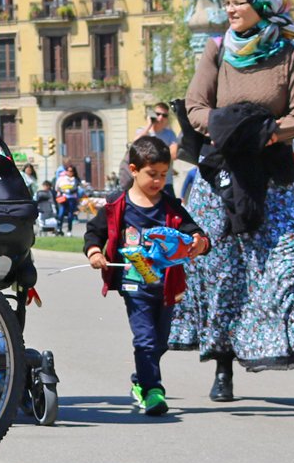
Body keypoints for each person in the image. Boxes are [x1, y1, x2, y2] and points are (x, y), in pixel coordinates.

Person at [167, 0, 294, 411]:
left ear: (262, 5)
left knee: (285, 273)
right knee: (223, 272)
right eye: (226, 2)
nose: (230, 9)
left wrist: (260, 134)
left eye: (237, 2)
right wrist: (230, 130)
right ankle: (222, 366)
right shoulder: (218, 48)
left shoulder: (293, 51)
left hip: (272, 178)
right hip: (222, 178)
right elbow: (195, 106)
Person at [84, 135, 209, 416]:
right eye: (152, 174)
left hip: (167, 286)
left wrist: (199, 242)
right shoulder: (118, 205)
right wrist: (94, 252)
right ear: (134, 170)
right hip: (134, 285)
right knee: (145, 339)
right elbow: (94, 231)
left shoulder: (169, 206)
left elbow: (194, 231)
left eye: (164, 175)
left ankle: (141, 380)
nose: (158, 181)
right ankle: (154, 391)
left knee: (161, 341)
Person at [55, 164, 81, 234]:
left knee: (70, 215)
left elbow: (75, 188)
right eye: (68, 171)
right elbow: (57, 188)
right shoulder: (61, 179)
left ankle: (69, 230)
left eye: (71, 171)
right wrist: (60, 192)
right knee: (61, 213)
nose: (69, 172)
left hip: (71, 199)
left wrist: (68, 191)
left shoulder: (75, 180)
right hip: (63, 199)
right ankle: (59, 228)